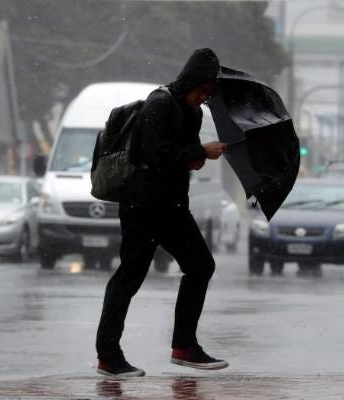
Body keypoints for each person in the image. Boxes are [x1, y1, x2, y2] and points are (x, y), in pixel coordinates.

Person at [95, 48, 229, 377]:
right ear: (190, 82)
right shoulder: (160, 104)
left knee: (200, 266)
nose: (203, 97)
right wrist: (199, 151)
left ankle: (184, 346)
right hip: (142, 206)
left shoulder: (193, 113)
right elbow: (157, 154)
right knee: (129, 277)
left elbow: (177, 156)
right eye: (202, 90)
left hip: (172, 207)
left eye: (209, 93)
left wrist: (195, 158)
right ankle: (108, 356)